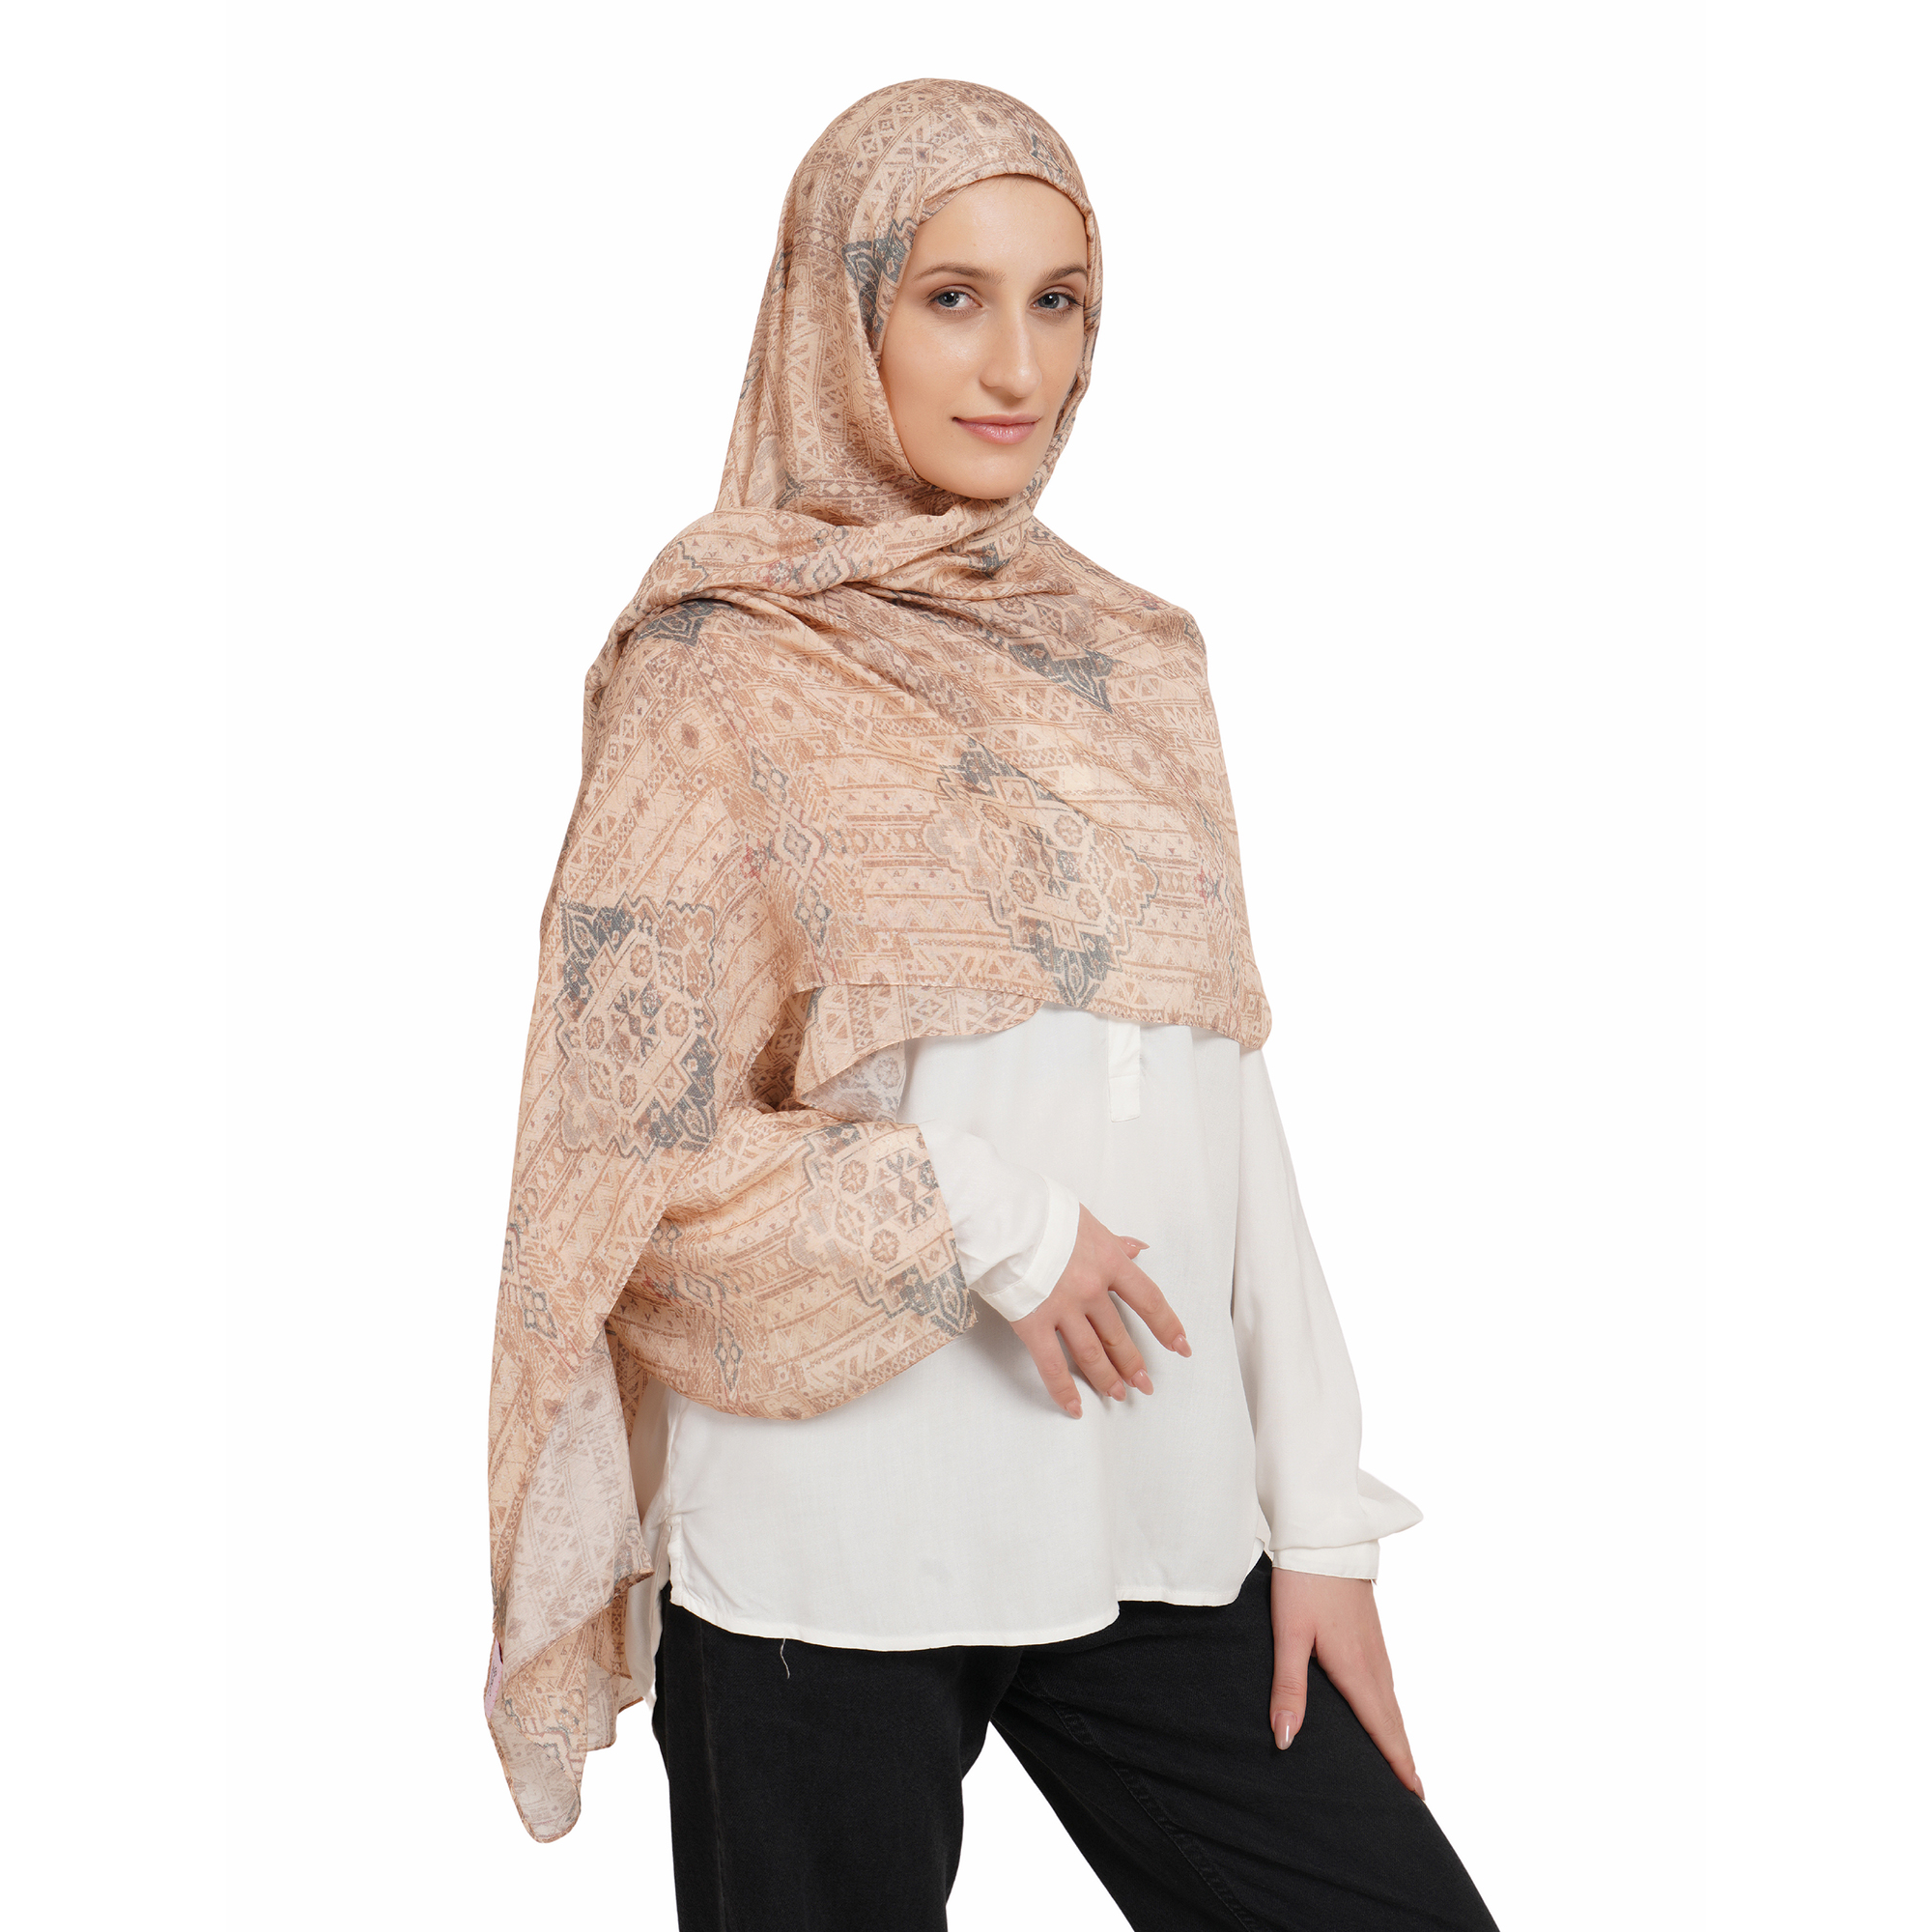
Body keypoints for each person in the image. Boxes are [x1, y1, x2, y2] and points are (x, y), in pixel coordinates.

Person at [485, 77, 1499, 1932]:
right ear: (840, 312)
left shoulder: (1138, 660)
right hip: (829, 1554)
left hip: (1156, 1523)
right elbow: (614, 1160)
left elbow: (1225, 1102)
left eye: (1060, 300)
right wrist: (991, 1221)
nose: (1016, 364)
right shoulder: (721, 670)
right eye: (951, 296)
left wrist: (1321, 1521)